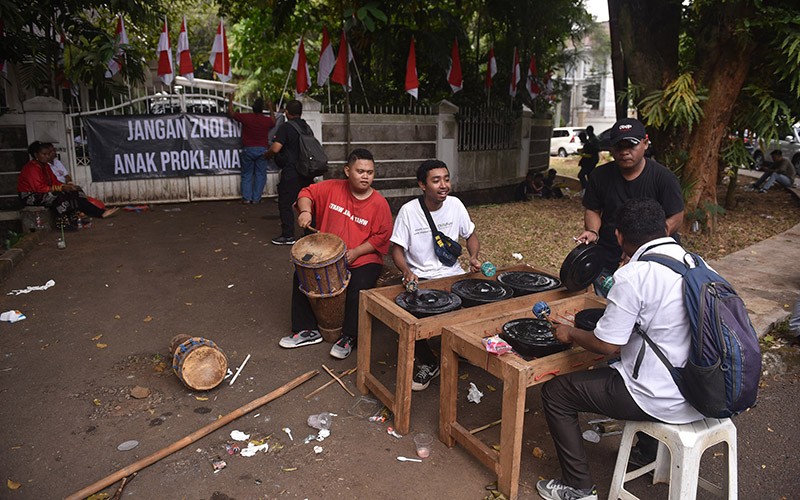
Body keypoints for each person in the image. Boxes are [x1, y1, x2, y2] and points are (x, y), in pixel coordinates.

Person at [536, 198, 704, 500]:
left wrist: (570, 332)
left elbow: (608, 345)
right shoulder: (694, 262)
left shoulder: (635, 275)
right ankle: (647, 453)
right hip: (698, 388)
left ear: (618, 236)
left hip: (661, 397)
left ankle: (578, 488)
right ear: (664, 227)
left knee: (556, 393)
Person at [278, 148, 392, 360]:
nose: (365, 176)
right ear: (347, 171)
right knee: (301, 274)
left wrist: (357, 252)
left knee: (359, 283)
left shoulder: (379, 203)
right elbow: (306, 193)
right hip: (327, 255)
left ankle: (349, 336)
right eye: (360, 171)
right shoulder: (331, 188)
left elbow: (381, 237)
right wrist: (305, 211)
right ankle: (306, 330)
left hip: (362, 258)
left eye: (370, 172)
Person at [390, 159, 481, 391]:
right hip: (421, 278)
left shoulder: (456, 205)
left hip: (453, 274)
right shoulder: (409, 211)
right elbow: (396, 250)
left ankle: (465, 349)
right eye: (436, 180)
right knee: (412, 315)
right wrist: (407, 271)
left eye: (447, 179)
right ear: (422, 184)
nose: (444, 185)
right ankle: (430, 363)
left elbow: (470, 235)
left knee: (482, 302)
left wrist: (473, 257)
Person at [575, 118, 684, 289]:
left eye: (631, 145)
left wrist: (641, 249)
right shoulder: (599, 176)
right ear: (611, 148)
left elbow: (676, 216)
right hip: (610, 256)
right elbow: (593, 209)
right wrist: (592, 232)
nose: (625, 152)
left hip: (654, 259)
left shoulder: (663, 178)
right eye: (619, 146)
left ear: (645, 144)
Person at [18, 141, 118, 229]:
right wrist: (61, 187)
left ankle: (98, 213)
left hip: (44, 191)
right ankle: (62, 222)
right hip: (30, 195)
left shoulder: (45, 166)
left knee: (75, 191)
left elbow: (54, 181)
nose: (47, 156)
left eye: (48, 154)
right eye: (44, 154)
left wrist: (67, 187)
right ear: (36, 155)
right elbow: (39, 188)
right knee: (58, 195)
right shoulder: (32, 168)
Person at [266, 99, 315, 245]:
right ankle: (309, 233)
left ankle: (288, 235)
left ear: (287, 112)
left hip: (292, 171)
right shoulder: (306, 127)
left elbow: (275, 148)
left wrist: (267, 155)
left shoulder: (286, 127)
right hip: (307, 170)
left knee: (285, 203)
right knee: (306, 202)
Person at [228, 94, 275, 204]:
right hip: (262, 150)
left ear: (253, 108)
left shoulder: (247, 117)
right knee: (260, 174)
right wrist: (271, 107)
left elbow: (231, 113)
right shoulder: (266, 120)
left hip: (248, 149)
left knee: (247, 174)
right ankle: (256, 198)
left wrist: (230, 100)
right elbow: (274, 121)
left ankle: (247, 198)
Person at [577, 126, 600, 192]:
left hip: (591, 161)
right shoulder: (589, 140)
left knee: (582, 175)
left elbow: (593, 152)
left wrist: (583, 154)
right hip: (589, 161)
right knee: (589, 175)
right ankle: (589, 190)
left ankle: (587, 189)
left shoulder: (593, 140)